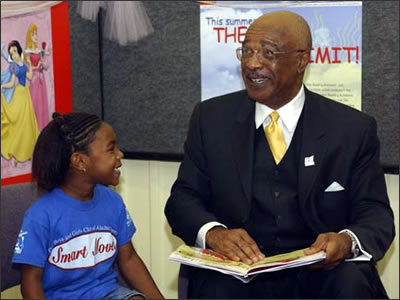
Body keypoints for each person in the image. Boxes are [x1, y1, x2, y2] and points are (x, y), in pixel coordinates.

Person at [164, 10, 395, 299]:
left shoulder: (351, 129)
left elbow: (376, 216)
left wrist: (346, 241)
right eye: (246, 51)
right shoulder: (210, 119)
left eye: (267, 53)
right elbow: (182, 200)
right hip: (239, 274)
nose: (251, 64)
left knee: (351, 281)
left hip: (320, 275)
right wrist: (214, 234)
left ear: (301, 60)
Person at [12, 112, 164, 299]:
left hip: (109, 293)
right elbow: (30, 282)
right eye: (111, 149)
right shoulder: (41, 216)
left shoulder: (112, 201)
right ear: (80, 161)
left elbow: (129, 259)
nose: (119, 154)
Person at [1, 40, 40, 165]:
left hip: (25, 93)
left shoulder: (23, 64)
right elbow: (12, 83)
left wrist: (29, 65)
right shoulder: (14, 67)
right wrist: (3, 86)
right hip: (18, 94)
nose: (13, 55)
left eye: (14, 51)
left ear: (18, 50)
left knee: (27, 123)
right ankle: (17, 153)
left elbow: (29, 77)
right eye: (11, 53)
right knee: (18, 123)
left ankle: (26, 152)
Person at [25, 22, 51, 130]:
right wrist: (35, 68)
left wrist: (44, 59)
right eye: (33, 34)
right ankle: (34, 128)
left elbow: (45, 66)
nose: (36, 36)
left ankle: (43, 128)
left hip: (41, 80)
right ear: (30, 36)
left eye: (36, 33)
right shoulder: (27, 52)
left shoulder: (40, 50)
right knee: (35, 103)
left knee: (42, 103)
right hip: (34, 80)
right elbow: (27, 68)